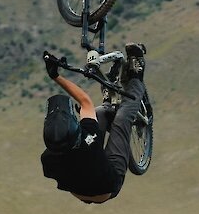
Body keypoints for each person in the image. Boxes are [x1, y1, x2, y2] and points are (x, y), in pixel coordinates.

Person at [39, 44, 147, 204]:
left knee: (99, 114)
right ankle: (136, 73)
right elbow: (84, 101)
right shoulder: (90, 138)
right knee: (122, 118)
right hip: (108, 187)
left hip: (81, 188)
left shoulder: (47, 158)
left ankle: (108, 103)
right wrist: (56, 76)